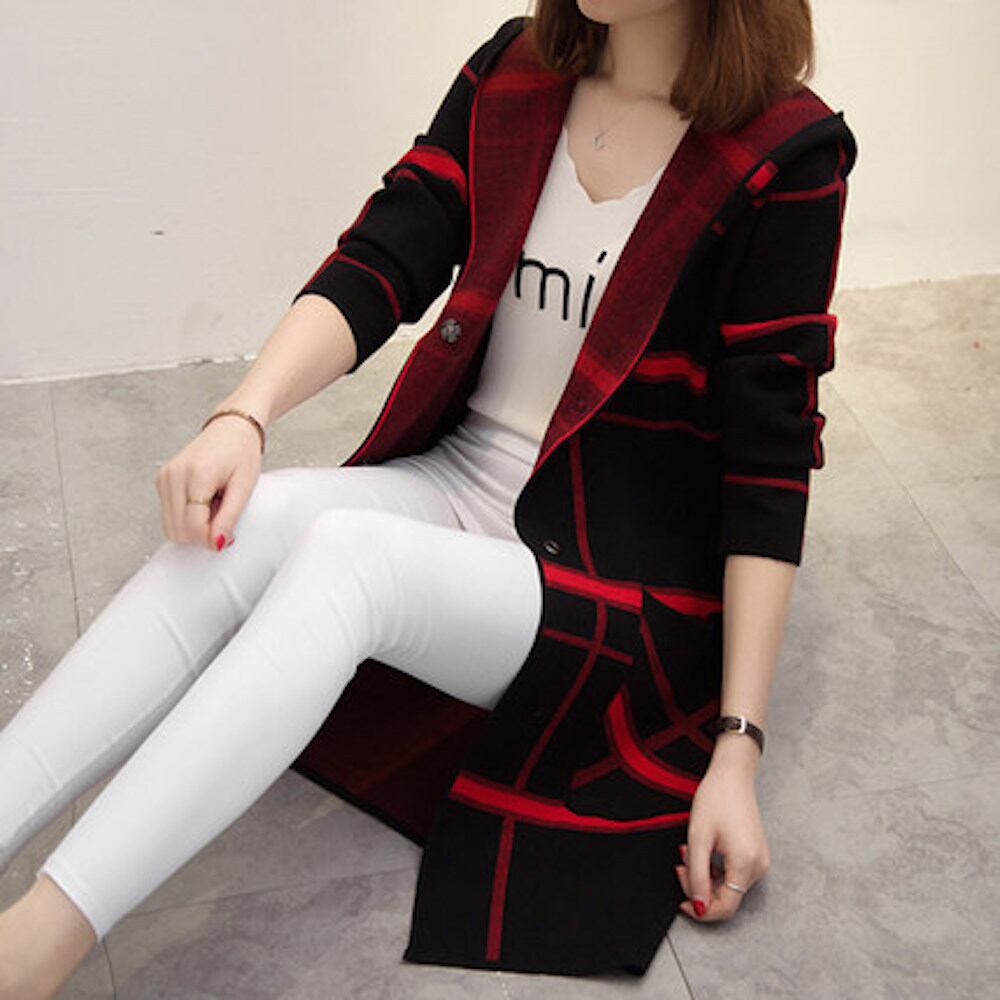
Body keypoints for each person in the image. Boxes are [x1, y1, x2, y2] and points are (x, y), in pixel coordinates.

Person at [0, 0, 855, 993]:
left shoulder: (785, 154)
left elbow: (767, 464)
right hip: (456, 482)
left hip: (611, 575)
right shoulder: (519, 69)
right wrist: (244, 413)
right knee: (250, 520)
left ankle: (37, 946)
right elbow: (389, 250)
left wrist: (736, 750)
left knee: (348, 561)